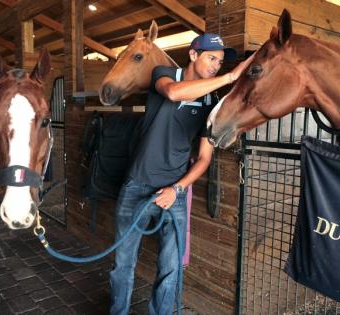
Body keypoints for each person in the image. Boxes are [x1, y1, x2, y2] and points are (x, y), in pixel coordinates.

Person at [109, 33, 256, 315]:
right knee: (123, 265)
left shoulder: (210, 104)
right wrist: (229, 77)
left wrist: (176, 189)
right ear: (192, 55)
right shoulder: (164, 74)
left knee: (171, 268)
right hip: (136, 186)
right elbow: (175, 92)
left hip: (173, 194)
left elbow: (203, 159)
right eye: (211, 58)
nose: (216, 65)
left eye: (221, 62)